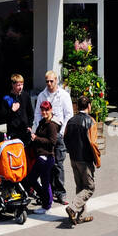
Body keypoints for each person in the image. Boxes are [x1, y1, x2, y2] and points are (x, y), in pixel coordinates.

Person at [34, 70, 73, 204]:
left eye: (52, 81)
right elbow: (37, 115)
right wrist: (37, 132)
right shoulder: (42, 95)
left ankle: (61, 192)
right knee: (46, 164)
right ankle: (48, 191)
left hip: (58, 135)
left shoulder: (63, 95)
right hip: (45, 136)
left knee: (58, 164)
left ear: (56, 80)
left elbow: (69, 115)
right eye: (47, 81)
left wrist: (61, 132)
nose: (49, 84)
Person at [63, 94, 101, 225]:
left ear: (77, 107)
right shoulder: (91, 121)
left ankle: (80, 216)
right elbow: (93, 143)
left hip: (74, 158)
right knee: (90, 187)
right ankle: (73, 208)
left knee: (80, 187)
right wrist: (97, 160)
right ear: (89, 106)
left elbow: (65, 138)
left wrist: (71, 151)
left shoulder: (71, 121)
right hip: (85, 160)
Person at [28, 100, 60, 211]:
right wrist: (32, 134)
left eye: (46, 110)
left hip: (47, 157)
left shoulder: (51, 125)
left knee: (44, 182)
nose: (44, 112)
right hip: (41, 157)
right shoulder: (42, 122)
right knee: (33, 179)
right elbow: (37, 135)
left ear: (50, 110)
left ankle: (47, 205)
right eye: (42, 110)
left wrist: (36, 138)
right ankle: (46, 200)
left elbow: (52, 142)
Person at [2, 73, 35, 147]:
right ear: (13, 85)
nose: (21, 87)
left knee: (27, 152)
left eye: (22, 84)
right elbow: (4, 117)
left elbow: (30, 112)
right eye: (18, 85)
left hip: (25, 130)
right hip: (13, 131)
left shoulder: (25, 95)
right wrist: (12, 110)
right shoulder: (7, 98)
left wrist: (30, 126)